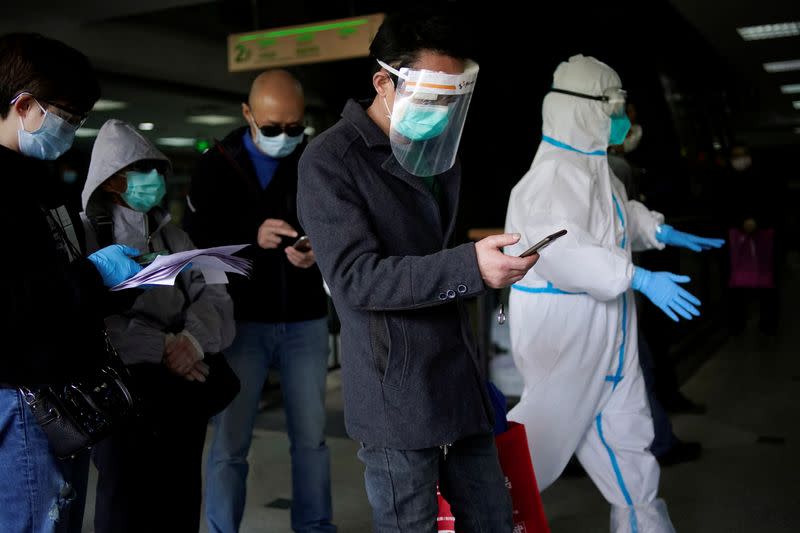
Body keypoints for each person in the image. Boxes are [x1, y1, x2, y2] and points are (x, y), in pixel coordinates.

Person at [296, 10, 538, 532]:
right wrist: (470, 266)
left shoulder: (434, 151)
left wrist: (486, 253)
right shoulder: (329, 160)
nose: (444, 111)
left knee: (495, 520)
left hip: (458, 377)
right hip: (395, 390)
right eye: (434, 96)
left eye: (454, 98)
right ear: (384, 82)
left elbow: (434, 247)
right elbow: (356, 278)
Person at [504, 54, 723, 532]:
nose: (623, 116)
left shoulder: (594, 169)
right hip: (568, 333)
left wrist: (661, 232)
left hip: (610, 327)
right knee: (538, 440)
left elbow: (617, 219)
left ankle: (643, 521)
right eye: (615, 104)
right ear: (584, 109)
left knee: (627, 433)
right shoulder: (549, 179)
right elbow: (562, 251)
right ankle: (475, 514)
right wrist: (637, 277)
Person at [0, 33, 142, 533]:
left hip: (62, 389)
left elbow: (58, 273)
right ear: (22, 105)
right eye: (68, 118)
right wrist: (93, 272)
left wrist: (115, 278)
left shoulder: (37, 175)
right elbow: (13, 307)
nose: (73, 132)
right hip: (23, 397)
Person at [185, 70, 335, 533]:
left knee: (312, 440)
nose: (284, 138)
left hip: (305, 318)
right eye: (271, 128)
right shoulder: (215, 165)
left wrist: (317, 250)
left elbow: (340, 225)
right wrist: (252, 236)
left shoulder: (315, 159)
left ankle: (315, 526)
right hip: (240, 322)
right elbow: (196, 246)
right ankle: (220, 528)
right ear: (248, 115)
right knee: (230, 442)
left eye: (293, 128)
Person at [81, 119, 236, 533]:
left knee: (181, 499)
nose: (153, 180)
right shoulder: (83, 240)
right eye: (141, 170)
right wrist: (161, 347)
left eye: (157, 170)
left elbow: (218, 300)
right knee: (124, 506)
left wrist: (191, 341)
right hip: (123, 399)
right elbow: (88, 321)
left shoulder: (178, 239)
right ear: (112, 181)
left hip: (183, 396)